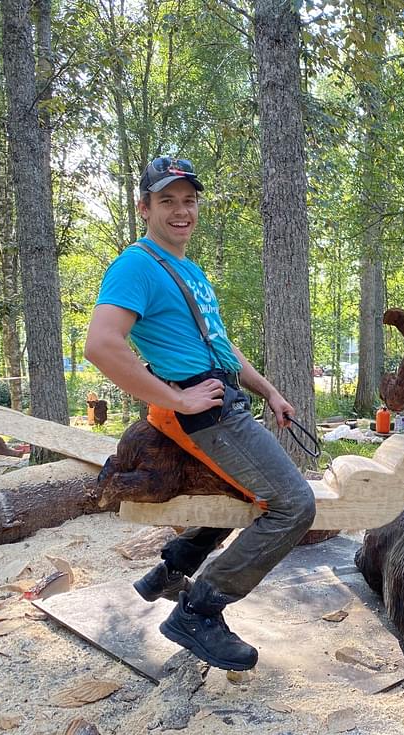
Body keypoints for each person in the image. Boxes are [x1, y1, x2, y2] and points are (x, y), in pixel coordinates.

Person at [84, 156, 316, 670]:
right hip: (206, 413)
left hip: (225, 400)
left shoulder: (187, 268)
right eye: (167, 200)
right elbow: (101, 345)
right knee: (295, 505)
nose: (181, 210)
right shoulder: (136, 265)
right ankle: (199, 609)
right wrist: (179, 400)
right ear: (144, 207)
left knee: (247, 493)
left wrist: (271, 391)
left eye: (189, 200)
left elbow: (223, 349)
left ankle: (172, 568)